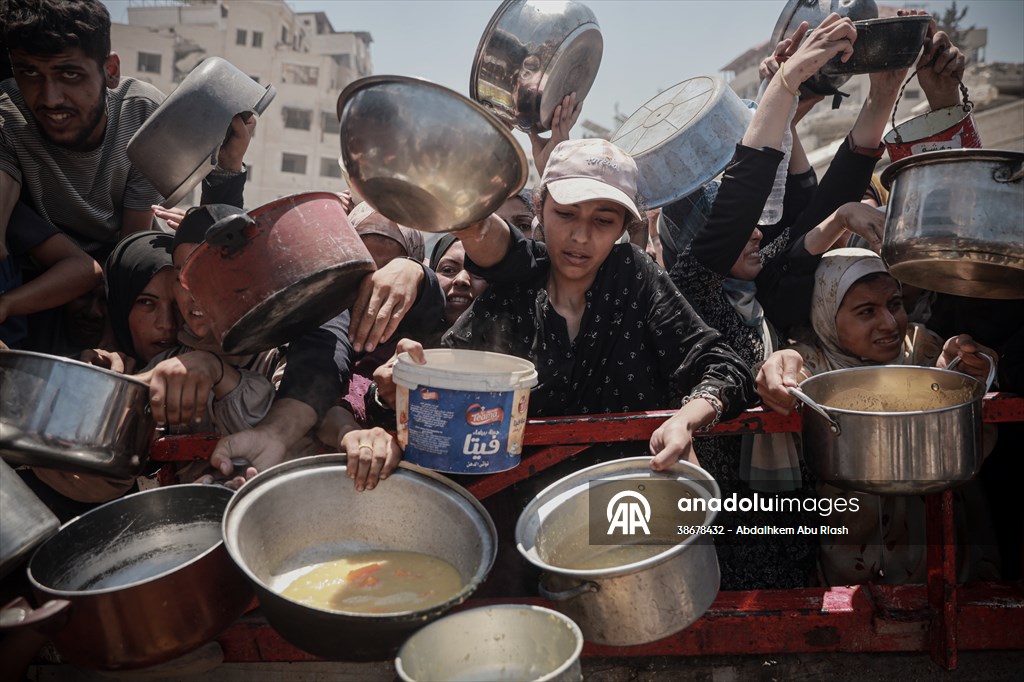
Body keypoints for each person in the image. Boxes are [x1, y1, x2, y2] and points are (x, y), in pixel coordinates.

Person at [346, 137, 757, 492]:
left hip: (631, 505)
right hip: (525, 515)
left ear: (622, 228)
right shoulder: (513, 291)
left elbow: (723, 366)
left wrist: (686, 420)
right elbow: (436, 395)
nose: (580, 236)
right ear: (541, 209)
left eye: (603, 220)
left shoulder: (635, 277)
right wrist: (396, 388)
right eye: (566, 214)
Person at [756, 248, 998, 585]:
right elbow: (787, 375)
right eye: (866, 311)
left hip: (935, 542)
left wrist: (967, 372)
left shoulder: (922, 347)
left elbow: (969, 424)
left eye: (895, 304)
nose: (889, 323)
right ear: (826, 314)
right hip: (845, 545)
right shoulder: (812, 365)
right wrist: (777, 367)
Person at [0, 0, 253, 262]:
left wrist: (227, 168)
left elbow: (132, 246)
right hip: (40, 265)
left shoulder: (143, 116)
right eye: (30, 73)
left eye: (70, 75)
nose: (50, 99)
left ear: (110, 71)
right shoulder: (7, 113)